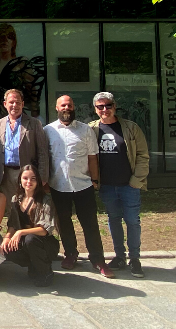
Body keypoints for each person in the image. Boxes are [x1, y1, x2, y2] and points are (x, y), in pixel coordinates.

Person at [45, 95, 114, 278]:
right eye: (63, 105)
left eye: (69, 105)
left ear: (73, 107)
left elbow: (92, 157)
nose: (66, 108)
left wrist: (95, 180)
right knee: (65, 224)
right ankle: (70, 254)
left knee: (90, 224)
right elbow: (45, 159)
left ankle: (98, 260)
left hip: (83, 185)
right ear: (57, 108)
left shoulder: (85, 130)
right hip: (58, 186)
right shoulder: (48, 131)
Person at [89, 92, 150, 278]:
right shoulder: (91, 129)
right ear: (95, 109)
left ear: (114, 106)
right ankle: (119, 256)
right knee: (113, 220)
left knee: (132, 221)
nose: (104, 109)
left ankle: (135, 259)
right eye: (100, 107)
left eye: (108, 105)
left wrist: (135, 181)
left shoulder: (131, 128)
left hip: (128, 185)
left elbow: (143, 156)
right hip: (107, 186)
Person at [1, 165, 59, 287]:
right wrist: (7, 238)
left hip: (44, 243)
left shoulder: (45, 199)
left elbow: (44, 230)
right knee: (7, 248)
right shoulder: (16, 199)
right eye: (25, 178)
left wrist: (21, 232)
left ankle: (46, 272)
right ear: (20, 181)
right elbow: (12, 224)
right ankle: (34, 265)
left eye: (33, 178)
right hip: (26, 241)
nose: (29, 182)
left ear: (38, 181)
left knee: (30, 239)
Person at [0, 89, 49, 207]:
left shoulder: (34, 123)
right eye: (11, 102)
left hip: (27, 174)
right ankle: (13, 226)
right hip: (5, 174)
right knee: (11, 208)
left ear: (22, 104)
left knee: (28, 207)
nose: (14, 105)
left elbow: (43, 151)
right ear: (5, 104)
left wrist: (42, 177)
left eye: (17, 102)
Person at [0, 23, 46, 134]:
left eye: (9, 37)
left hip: (17, 119)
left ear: (13, 42)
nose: (4, 40)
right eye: (0, 37)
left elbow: (33, 92)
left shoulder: (21, 64)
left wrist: (35, 115)